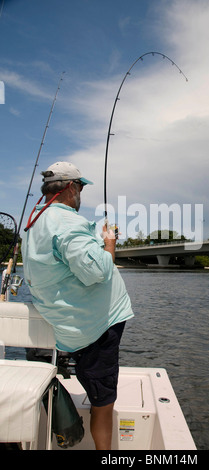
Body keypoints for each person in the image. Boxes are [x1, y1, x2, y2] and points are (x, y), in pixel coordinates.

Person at [21, 161, 134, 450]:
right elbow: (97, 272)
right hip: (94, 330)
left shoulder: (36, 220)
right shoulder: (68, 221)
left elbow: (67, 258)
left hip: (69, 325)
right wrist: (109, 243)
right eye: (81, 186)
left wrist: (95, 243)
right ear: (71, 187)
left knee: (95, 387)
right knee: (103, 402)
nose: (81, 193)